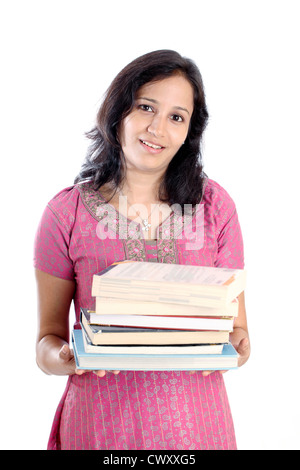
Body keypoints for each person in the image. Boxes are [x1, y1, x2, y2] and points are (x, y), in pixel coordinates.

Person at [34, 49, 250, 450]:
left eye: (176, 117)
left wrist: (237, 348)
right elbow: (47, 339)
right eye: (146, 107)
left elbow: (237, 334)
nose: (157, 128)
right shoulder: (65, 214)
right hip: (101, 430)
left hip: (199, 431)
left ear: (189, 131)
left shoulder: (216, 207)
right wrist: (65, 356)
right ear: (118, 112)